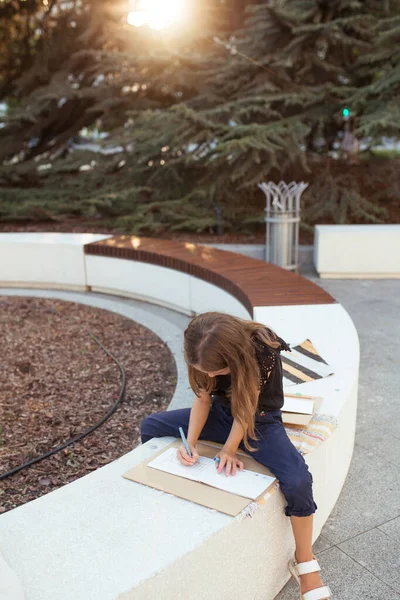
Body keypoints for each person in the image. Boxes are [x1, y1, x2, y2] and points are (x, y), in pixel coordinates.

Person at [141, 312, 332, 600]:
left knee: (297, 479)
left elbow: (246, 409)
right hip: (221, 414)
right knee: (150, 426)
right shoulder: (201, 347)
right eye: (203, 371)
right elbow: (203, 399)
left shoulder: (262, 349)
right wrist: (190, 443)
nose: (208, 377)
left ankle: (305, 562)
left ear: (233, 359)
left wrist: (229, 449)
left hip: (260, 419)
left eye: (216, 372)